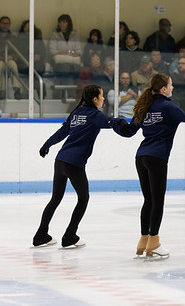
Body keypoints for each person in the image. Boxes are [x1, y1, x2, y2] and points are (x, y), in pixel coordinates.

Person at [114, 73, 185, 259]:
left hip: (141, 157)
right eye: (171, 85)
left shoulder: (145, 106)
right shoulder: (169, 107)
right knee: (157, 201)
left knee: (148, 200)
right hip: (157, 158)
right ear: (163, 89)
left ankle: (143, 241)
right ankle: (154, 243)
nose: (173, 88)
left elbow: (128, 131)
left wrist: (115, 122)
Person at [33, 85, 121, 248]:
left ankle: (40, 235)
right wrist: (122, 122)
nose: (103, 99)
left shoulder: (76, 113)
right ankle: (70, 235)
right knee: (83, 198)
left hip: (60, 161)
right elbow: (111, 122)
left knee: (55, 199)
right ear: (95, 99)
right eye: (101, 96)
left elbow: (62, 132)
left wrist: (47, 144)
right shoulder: (95, 115)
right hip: (74, 164)